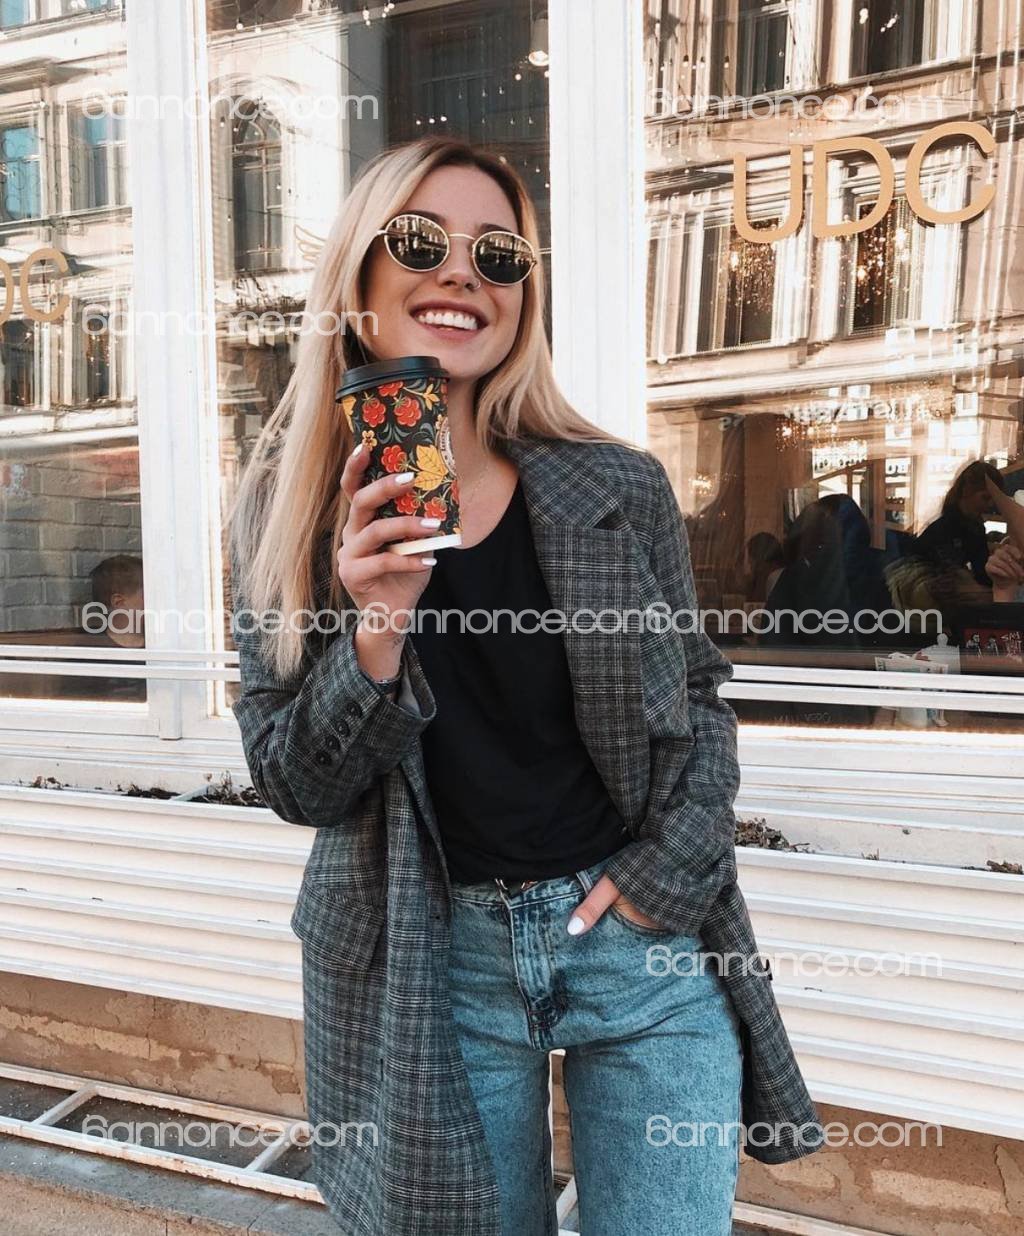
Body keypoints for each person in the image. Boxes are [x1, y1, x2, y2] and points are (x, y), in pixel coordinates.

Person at [227, 137, 823, 1236]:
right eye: (421, 243)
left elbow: (698, 703)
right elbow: (293, 783)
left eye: (498, 255)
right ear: (359, 279)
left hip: (636, 949)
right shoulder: (287, 513)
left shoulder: (614, 485)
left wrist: (662, 880)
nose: (462, 272)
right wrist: (375, 629)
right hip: (429, 964)